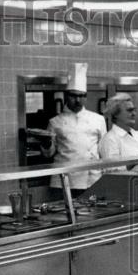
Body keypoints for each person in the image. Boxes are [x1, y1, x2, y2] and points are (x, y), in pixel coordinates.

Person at [40, 62, 107, 196]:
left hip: (92, 178)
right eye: (73, 95)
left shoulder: (98, 119)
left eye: (81, 96)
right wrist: (46, 143)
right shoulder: (55, 122)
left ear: (85, 96)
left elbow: (104, 151)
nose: (77, 100)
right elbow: (48, 154)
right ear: (66, 95)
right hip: (65, 181)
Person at [98, 93, 138, 173]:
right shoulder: (110, 140)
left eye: (134, 110)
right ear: (116, 114)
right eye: (129, 110)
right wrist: (135, 161)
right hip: (125, 184)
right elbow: (112, 171)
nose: (134, 114)